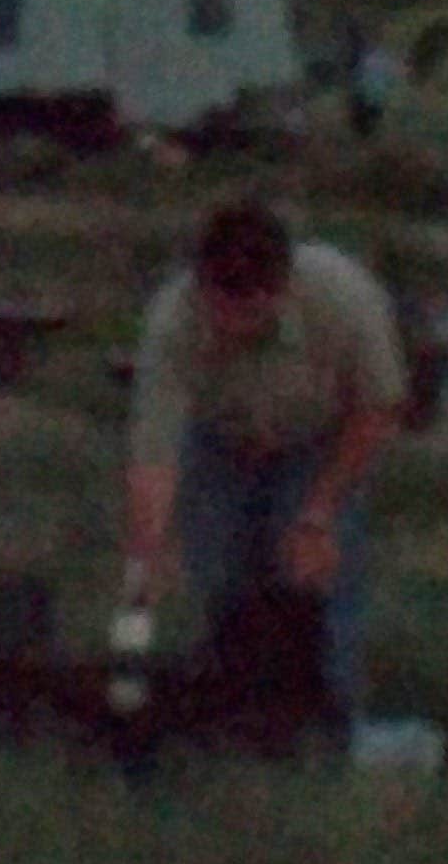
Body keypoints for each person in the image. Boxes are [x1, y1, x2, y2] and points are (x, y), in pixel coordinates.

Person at [118, 197, 409, 737]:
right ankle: (235, 719)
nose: (229, 325)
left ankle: (329, 725)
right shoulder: (171, 323)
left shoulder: (344, 299)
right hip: (222, 443)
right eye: (217, 306)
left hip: (319, 439)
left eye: (247, 311)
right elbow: (155, 451)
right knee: (223, 576)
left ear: (280, 288)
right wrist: (149, 547)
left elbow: (377, 410)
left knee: (313, 577)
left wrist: (318, 515)